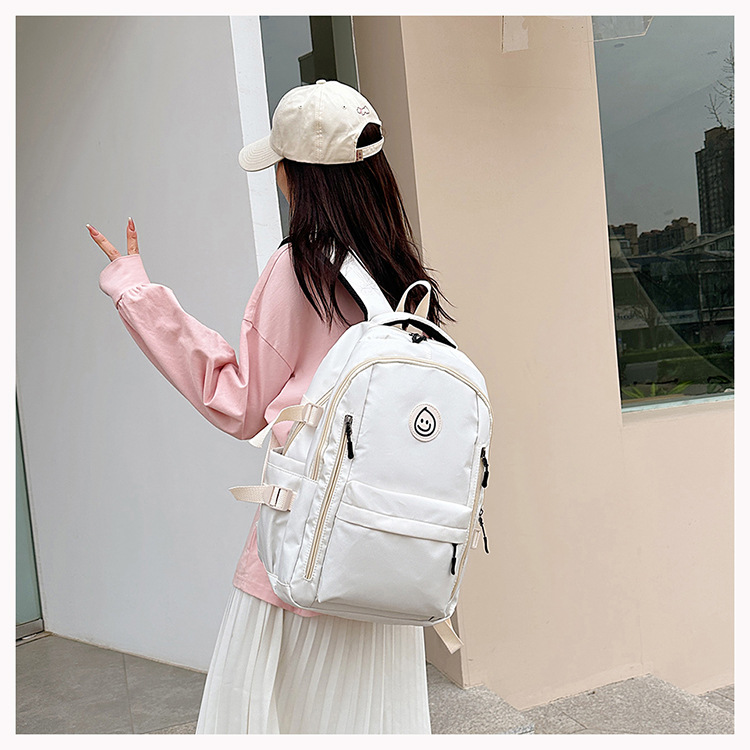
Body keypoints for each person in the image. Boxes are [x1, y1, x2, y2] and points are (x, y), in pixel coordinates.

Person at [88, 79, 452, 734]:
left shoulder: (302, 269)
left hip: (308, 552)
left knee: (270, 718)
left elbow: (240, 404)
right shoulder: (400, 275)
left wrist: (137, 293)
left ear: (300, 177)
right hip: (385, 556)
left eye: (281, 166)